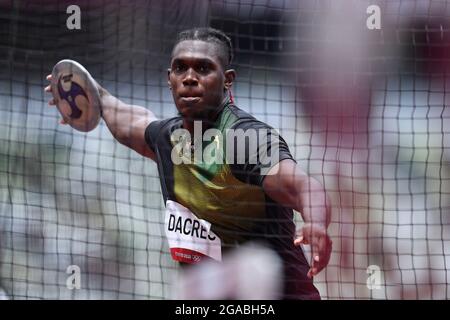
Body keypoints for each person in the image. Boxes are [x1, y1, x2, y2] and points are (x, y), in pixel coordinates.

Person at [45, 27, 332, 299]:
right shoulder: (167, 139)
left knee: (253, 267)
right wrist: (86, 92)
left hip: (275, 295)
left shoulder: (245, 139)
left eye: (203, 68)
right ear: (169, 77)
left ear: (227, 79)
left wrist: (316, 224)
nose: (190, 77)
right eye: (180, 68)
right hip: (207, 294)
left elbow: (302, 186)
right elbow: (125, 119)